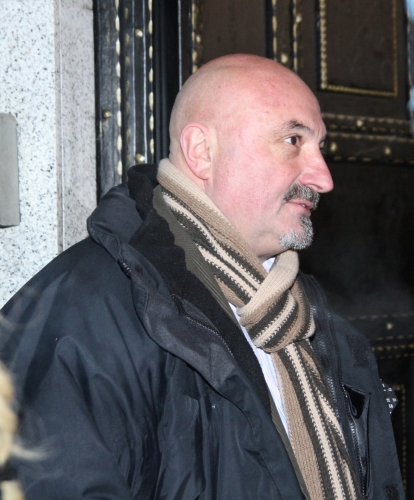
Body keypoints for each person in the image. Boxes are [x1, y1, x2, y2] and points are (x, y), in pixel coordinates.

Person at [0, 54, 403, 499]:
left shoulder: (310, 320)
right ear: (201, 152)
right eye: (293, 140)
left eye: (320, 146)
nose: (324, 177)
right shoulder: (85, 313)